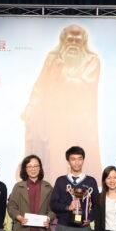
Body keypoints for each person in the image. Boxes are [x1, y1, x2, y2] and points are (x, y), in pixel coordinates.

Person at [22, 24, 102, 180]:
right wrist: (31, 106)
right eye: (70, 40)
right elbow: (40, 86)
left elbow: (85, 87)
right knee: (53, 156)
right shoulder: (52, 59)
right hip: (54, 119)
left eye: (77, 41)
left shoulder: (92, 60)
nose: (73, 44)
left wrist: (62, 73)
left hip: (78, 120)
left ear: (84, 43)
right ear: (63, 41)